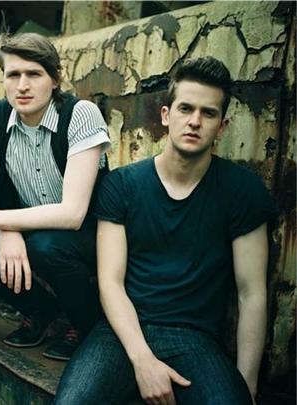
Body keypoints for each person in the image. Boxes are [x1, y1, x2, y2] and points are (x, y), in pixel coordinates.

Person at [55, 57, 276, 404]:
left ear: (222, 126)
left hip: (194, 339)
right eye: (185, 108)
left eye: (208, 113)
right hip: (121, 333)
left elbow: (252, 294)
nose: (194, 121)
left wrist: (246, 385)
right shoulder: (122, 185)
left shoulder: (242, 191)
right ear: (165, 115)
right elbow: (110, 283)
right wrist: (143, 361)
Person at [0, 32, 110, 361]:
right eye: (13, 74)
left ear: (55, 79)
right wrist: (6, 230)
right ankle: (42, 311)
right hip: (31, 227)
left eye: (34, 74)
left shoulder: (80, 114)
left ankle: (86, 323)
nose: (22, 85)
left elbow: (73, 213)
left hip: (89, 234)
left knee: (45, 246)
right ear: (3, 79)